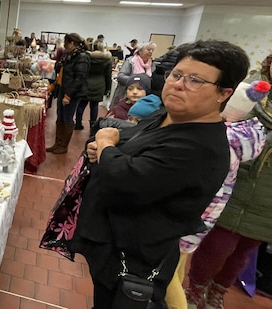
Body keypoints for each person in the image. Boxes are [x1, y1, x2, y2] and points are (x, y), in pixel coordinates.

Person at [72, 40, 248, 308]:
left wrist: (107, 146)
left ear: (223, 93)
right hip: (111, 247)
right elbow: (135, 137)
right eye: (176, 75)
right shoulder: (170, 115)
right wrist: (113, 142)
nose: (178, 84)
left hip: (134, 260)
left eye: (195, 80)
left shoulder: (199, 147)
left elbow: (126, 180)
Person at [185, 56, 272, 309]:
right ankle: (195, 290)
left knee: (244, 250)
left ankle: (217, 292)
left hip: (267, 195)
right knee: (219, 245)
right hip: (236, 182)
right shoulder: (249, 91)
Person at [46, 33, 90, 154]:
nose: (64, 46)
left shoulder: (82, 57)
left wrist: (68, 95)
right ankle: (57, 143)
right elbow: (62, 71)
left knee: (67, 118)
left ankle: (64, 146)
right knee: (60, 116)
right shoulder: (69, 55)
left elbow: (79, 79)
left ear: (71, 43)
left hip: (72, 93)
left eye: (66, 43)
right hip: (63, 89)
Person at [75, 41, 112, 130]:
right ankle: (92, 126)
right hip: (99, 84)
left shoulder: (86, 57)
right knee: (94, 106)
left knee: (81, 104)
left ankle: (78, 124)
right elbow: (108, 75)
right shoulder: (107, 59)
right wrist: (108, 88)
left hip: (86, 83)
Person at [111, 41, 156, 106]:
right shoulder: (131, 61)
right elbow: (120, 76)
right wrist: (136, 81)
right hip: (125, 96)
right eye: (148, 49)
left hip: (142, 99)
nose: (151, 52)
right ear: (140, 51)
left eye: (152, 50)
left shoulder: (152, 65)